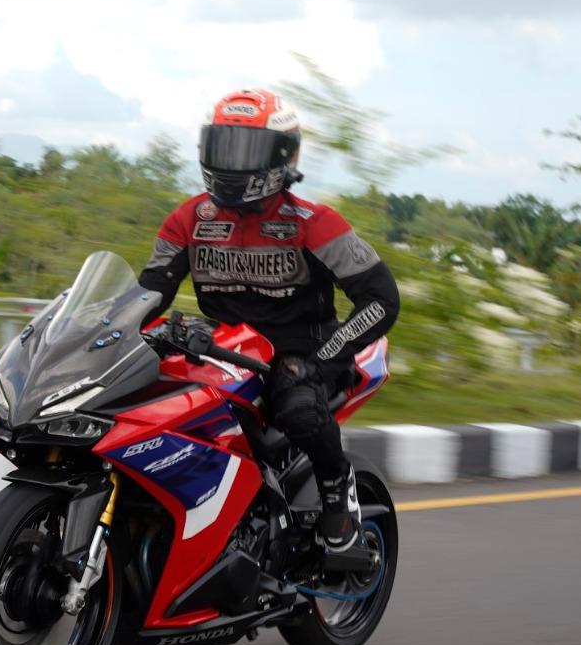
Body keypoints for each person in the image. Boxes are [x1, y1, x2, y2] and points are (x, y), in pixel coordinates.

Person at [139, 89, 399, 551]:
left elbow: (381, 300)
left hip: (304, 351)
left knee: (298, 405)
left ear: (282, 156)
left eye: (246, 150)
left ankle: (337, 492)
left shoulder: (315, 223)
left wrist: (323, 358)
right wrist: (112, 330)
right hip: (225, 348)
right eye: (223, 147)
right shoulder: (189, 219)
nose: (232, 163)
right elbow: (150, 291)